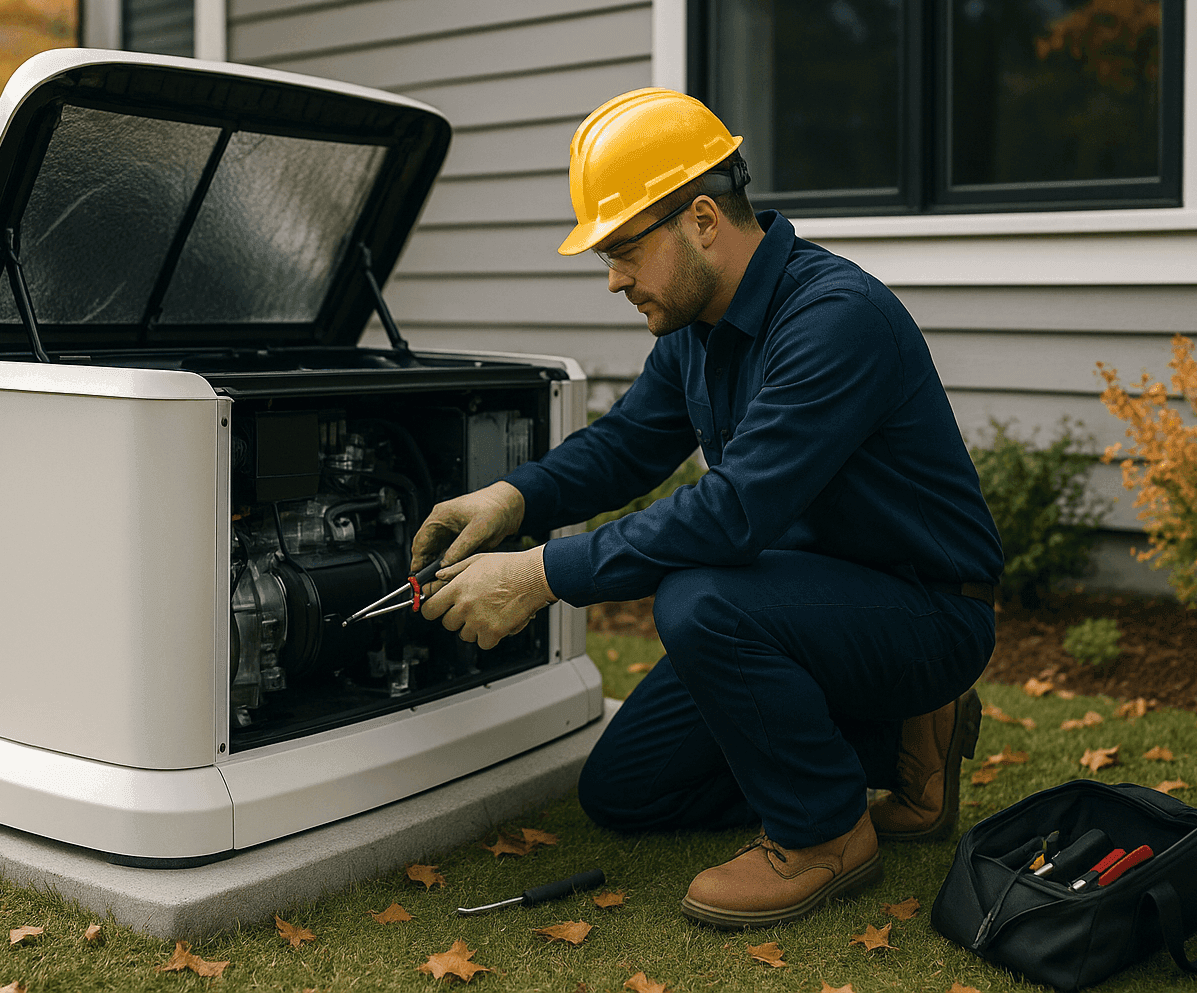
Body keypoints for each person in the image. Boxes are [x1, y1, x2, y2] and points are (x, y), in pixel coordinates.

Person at [412, 88, 1003, 929]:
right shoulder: (695, 324)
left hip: (926, 609)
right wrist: (512, 500)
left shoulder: (836, 320)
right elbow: (625, 447)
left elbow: (732, 515)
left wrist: (540, 575)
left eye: (622, 251)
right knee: (627, 791)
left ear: (699, 220)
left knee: (699, 598)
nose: (614, 279)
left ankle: (827, 832)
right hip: (802, 600)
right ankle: (901, 738)